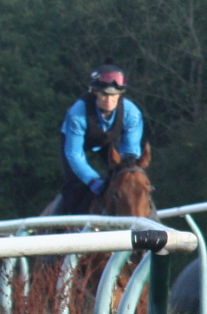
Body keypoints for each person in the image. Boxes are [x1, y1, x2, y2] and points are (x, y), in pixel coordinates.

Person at [48, 64, 146, 215]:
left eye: (114, 95)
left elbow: (131, 150)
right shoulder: (77, 115)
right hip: (77, 146)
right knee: (75, 185)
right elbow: (75, 154)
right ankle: (58, 224)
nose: (109, 100)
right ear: (95, 93)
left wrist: (127, 169)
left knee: (131, 179)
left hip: (109, 142)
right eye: (104, 95)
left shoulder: (132, 113)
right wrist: (92, 180)